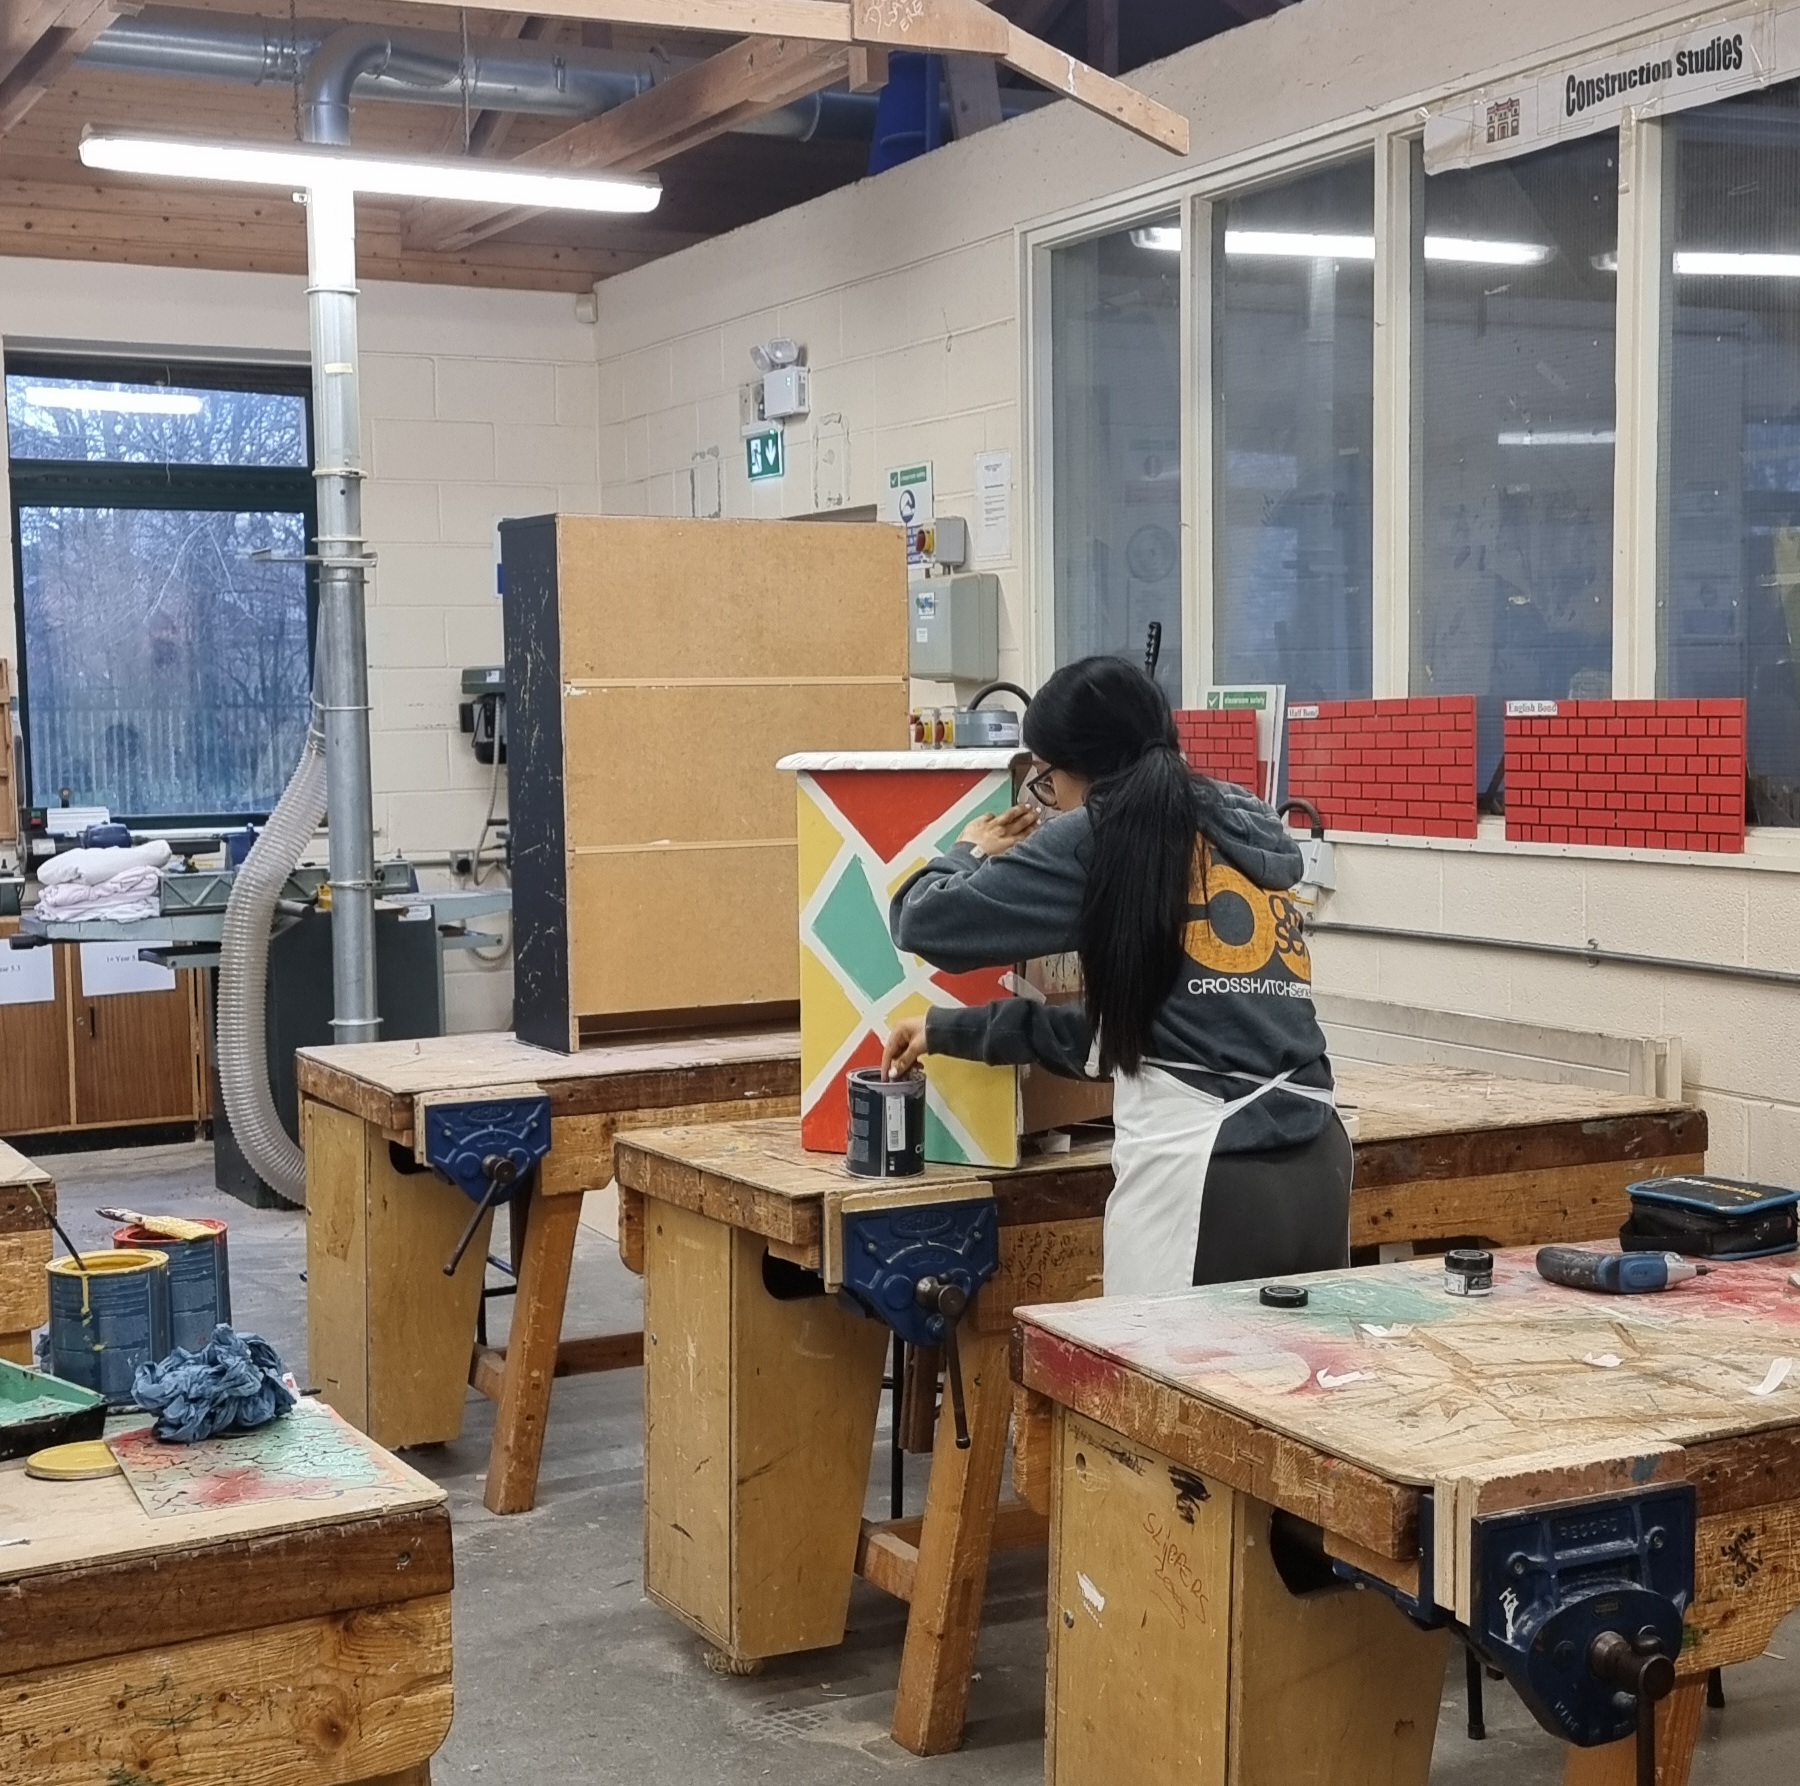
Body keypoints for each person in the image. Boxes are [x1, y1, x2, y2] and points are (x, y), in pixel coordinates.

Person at [884, 655, 1350, 1297]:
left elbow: (922, 919)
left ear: (1076, 769)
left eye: (1045, 783)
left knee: (1158, 1363)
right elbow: (1126, 1032)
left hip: (1209, 1173)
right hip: (1318, 1162)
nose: (1047, 803)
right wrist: (949, 1031)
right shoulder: (1235, 823)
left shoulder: (1104, 835)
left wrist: (971, 850)